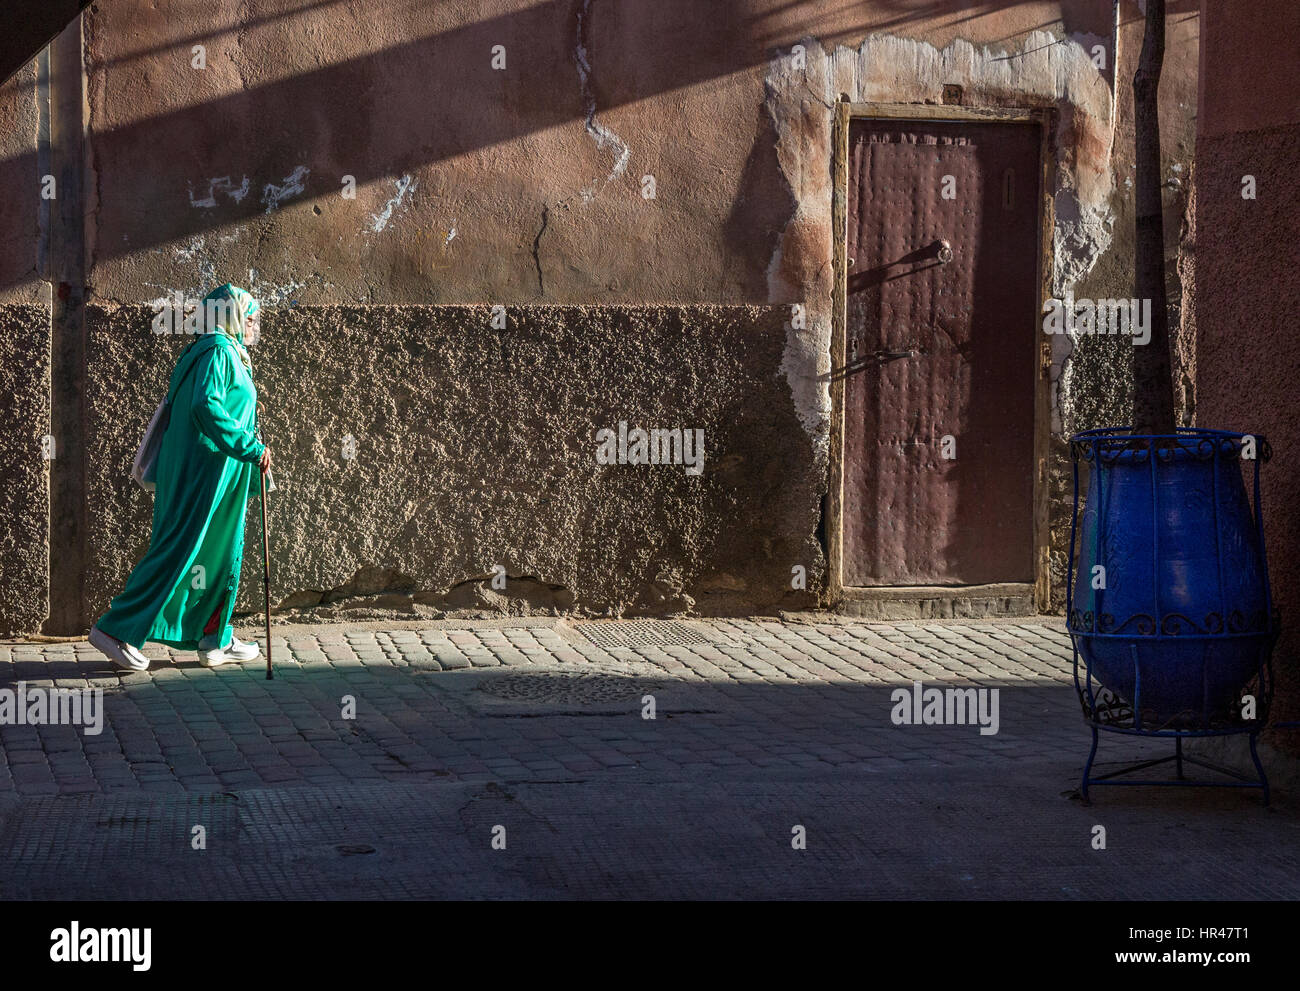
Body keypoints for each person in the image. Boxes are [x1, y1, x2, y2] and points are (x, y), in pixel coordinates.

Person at [89, 283, 272, 671]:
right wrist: (250, 447)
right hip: (203, 471)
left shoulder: (216, 350)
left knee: (218, 552)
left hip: (218, 472)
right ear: (232, 316)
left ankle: (214, 636)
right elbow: (207, 406)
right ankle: (115, 629)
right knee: (179, 548)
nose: (255, 326)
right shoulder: (217, 351)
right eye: (251, 318)